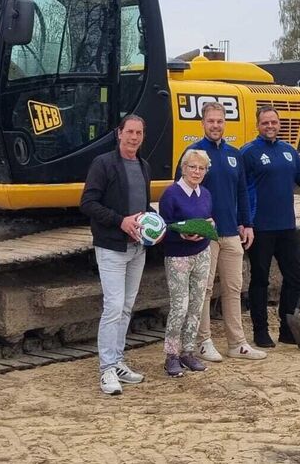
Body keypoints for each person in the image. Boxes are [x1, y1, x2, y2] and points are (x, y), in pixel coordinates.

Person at [177, 102, 267, 363]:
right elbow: (179, 191)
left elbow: (241, 190)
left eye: (219, 121)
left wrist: (246, 223)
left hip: (231, 233)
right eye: (211, 121)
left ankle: (237, 343)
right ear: (202, 123)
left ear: (224, 123)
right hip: (206, 234)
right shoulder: (193, 154)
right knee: (204, 289)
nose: (215, 125)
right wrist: (190, 226)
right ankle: (203, 341)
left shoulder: (233, 154)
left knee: (233, 288)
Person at [242, 106, 300, 348]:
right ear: (258, 125)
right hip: (260, 228)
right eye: (265, 123)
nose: (270, 126)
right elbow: (241, 190)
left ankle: (286, 328)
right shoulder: (249, 152)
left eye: (274, 122)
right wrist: (244, 221)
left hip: (286, 226)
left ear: (279, 124)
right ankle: (260, 331)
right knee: (260, 279)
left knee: (295, 276)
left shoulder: (288, 151)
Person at [79, 114, 152, 396]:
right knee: (113, 306)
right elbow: (87, 203)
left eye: (139, 133)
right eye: (130, 132)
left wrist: (154, 225)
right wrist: (120, 221)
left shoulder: (144, 166)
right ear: (119, 133)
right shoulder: (103, 164)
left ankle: (118, 361)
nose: (134, 137)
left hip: (137, 248)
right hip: (111, 246)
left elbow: (144, 206)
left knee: (126, 307)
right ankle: (106, 368)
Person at [158, 149, 215, 377]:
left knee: (196, 304)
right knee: (179, 306)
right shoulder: (171, 194)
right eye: (192, 167)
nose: (197, 172)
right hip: (178, 255)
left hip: (201, 252)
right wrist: (181, 234)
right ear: (183, 168)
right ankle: (171, 355)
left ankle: (188, 352)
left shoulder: (206, 194)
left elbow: (209, 220)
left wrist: (208, 227)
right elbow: (164, 226)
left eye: (201, 168)